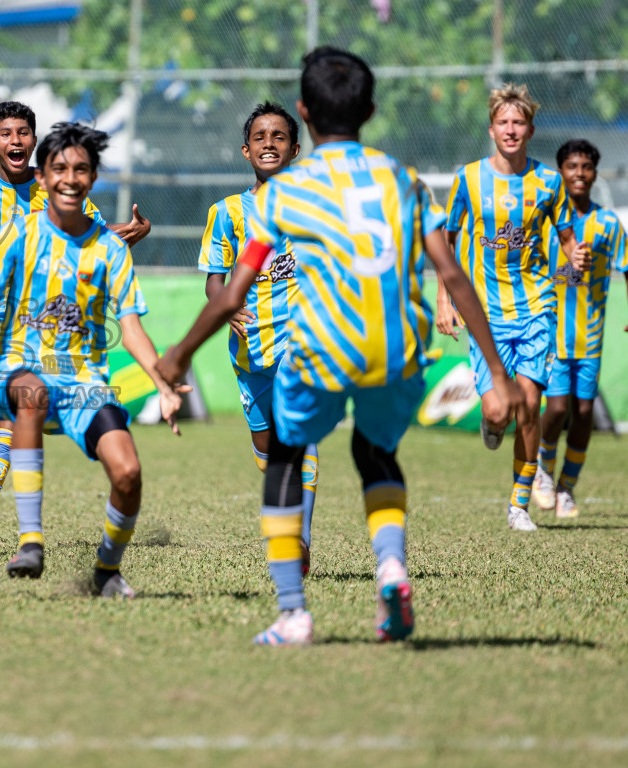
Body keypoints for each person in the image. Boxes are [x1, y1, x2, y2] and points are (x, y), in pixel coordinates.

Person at [156, 48, 523, 646]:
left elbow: (229, 295)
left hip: (320, 345)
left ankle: (294, 612)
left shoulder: (282, 196)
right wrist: (498, 377)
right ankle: (392, 569)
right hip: (397, 346)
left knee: (284, 459)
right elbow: (452, 275)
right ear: (371, 110)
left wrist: (178, 355)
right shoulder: (400, 179)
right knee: (375, 456)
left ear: (304, 114)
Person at [0, 122, 185, 598]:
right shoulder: (18, 236)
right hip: (15, 369)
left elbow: (131, 328)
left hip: (85, 382)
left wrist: (163, 383)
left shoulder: (109, 248)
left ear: (92, 180)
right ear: (44, 177)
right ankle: (31, 543)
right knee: (30, 392)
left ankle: (107, 571)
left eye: (81, 169)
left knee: (128, 474)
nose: (70, 178)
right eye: (59, 169)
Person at [0, 100, 151, 527]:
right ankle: (7, 507)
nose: (15, 140)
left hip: (56, 321)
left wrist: (127, 233)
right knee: (22, 401)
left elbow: (89, 237)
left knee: (26, 406)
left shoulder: (57, 183)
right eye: (6, 134)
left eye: (23, 132)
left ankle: (1, 497)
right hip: (2, 316)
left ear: (33, 141)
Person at [435, 85, 586, 531]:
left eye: (518, 122)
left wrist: (573, 263)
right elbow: (445, 242)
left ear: (530, 129)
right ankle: (493, 424)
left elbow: (566, 241)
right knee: (499, 411)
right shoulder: (468, 179)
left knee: (530, 405)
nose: (511, 130)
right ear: (492, 129)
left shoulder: (548, 182)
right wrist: (446, 299)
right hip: (485, 315)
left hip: (536, 309)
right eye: (503, 122)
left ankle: (518, 506)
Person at [197, 101, 317, 569]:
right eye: (261, 138)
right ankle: (287, 520)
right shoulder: (227, 212)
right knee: (267, 447)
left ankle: (299, 538)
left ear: (295, 149)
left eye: (279, 137)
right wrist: (225, 306)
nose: (270, 144)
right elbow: (214, 277)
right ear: (246, 151)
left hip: (301, 342)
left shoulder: (311, 208)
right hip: (250, 350)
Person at [532, 139, 628, 519]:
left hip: (590, 337)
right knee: (557, 408)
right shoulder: (546, 222)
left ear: (595, 173)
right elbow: (533, 269)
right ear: (560, 171)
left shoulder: (607, 224)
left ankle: (567, 487)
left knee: (583, 413)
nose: (579, 173)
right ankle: (543, 470)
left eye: (586, 167)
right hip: (550, 333)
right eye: (571, 166)